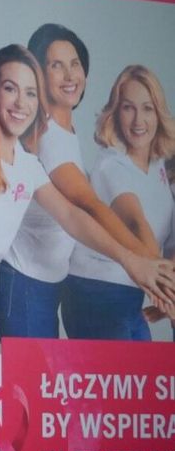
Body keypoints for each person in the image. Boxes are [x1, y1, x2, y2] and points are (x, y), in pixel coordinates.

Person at [0, 45, 174, 354]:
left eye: (30, 93)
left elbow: (71, 216)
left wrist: (130, 260)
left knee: (3, 386)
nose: (21, 103)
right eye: (10, 88)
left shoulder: (25, 163)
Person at [0, 25, 152, 338]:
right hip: (24, 284)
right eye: (56, 65)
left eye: (75, 63)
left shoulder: (62, 129)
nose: (69, 75)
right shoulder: (49, 137)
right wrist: (145, 262)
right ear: (38, 74)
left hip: (46, 284)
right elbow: (86, 205)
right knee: (31, 370)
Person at [62, 65, 175, 341]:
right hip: (94, 292)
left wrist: (167, 286)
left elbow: (169, 240)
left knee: (145, 367)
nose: (138, 120)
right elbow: (136, 223)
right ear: (115, 112)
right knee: (129, 367)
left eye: (147, 108)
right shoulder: (111, 164)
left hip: (130, 293)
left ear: (158, 113)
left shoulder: (159, 165)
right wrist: (166, 290)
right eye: (128, 108)